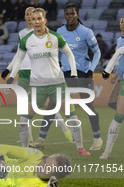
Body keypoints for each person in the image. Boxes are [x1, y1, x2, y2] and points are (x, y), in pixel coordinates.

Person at [6, 8, 90, 156]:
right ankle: (25, 150)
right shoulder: (27, 40)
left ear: (45, 20)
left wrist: (74, 73)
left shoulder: (56, 37)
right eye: (33, 19)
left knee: (72, 117)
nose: (36, 22)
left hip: (58, 85)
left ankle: (80, 148)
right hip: (38, 87)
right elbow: (18, 59)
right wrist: (12, 77)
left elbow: (69, 54)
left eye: (39, 19)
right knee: (24, 120)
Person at [30, 3, 102, 151]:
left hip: (82, 72)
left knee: (88, 106)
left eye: (72, 14)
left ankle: (97, 137)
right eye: (67, 14)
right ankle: (41, 139)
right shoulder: (60, 31)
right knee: (52, 105)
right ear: (64, 15)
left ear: (78, 15)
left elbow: (97, 52)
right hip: (64, 73)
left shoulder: (86, 32)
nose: (70, 17)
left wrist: (91, 70)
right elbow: (56, 52)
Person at [2, 7, 73, 144]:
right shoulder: (23, 33)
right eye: (27, 15)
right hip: (23, 71)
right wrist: (9, 69)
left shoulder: (44, 33)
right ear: (25, 17)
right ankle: (27, 139)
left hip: (38, 73)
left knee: (48, 105)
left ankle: (66, 130)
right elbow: (19, 54)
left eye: (32, 15)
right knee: (25, 107)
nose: (29, 17)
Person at [100, 17, 124, 159]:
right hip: (122, 78)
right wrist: (116, 74)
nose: (123, 24)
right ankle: (107, 151)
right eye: (121, 21)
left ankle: (107, 151)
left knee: (118, 115)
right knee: (114, 108)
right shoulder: (120, 40)